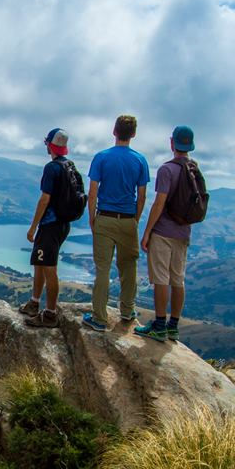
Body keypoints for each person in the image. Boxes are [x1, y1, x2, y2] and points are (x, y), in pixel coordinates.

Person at [82, 115, 149, 331]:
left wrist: (92, 218)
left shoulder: (101, 157)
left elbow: (92, 193)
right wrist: (135, 220)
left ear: (114, 131)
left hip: (105, 218)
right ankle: (127, 312)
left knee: (102, 269)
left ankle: (100, 319)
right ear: (134, 134)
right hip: (128, 220)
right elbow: (142, 195)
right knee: (129, 268)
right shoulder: (140, 160)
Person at [135, 125, 196, 342]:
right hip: (183, 233)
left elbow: (159, 202)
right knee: (178, 279)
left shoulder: (167, 170)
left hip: (163, 232)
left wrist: (147, 232)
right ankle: (173, 326)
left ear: (172, 143)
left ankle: (159, 325)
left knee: (161, 279)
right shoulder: (194, 169)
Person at [21, 128, 73, 327]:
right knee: (40, 263)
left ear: (49, 144)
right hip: (62, 225)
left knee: (49, 268)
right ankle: (34, 303)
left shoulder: (52, 168)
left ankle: (50, 314)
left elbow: (44, 199)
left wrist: (33, 227)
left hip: (50, 225)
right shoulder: (70, 166)